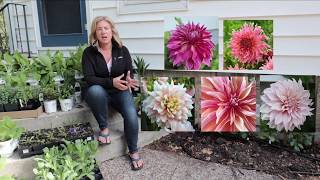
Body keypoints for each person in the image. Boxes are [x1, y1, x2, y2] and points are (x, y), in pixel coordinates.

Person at [82, 16, 143, 170]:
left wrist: (129, 81)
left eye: (106, 28)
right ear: (95, 33)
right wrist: (111, 82)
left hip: (120, 91)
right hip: (99, 91)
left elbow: (130, 72)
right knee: (95, 91)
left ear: (112, 31)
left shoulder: (122, 50)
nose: (103, 32)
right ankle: (104, 128)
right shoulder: (89, 53)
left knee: (131, 114)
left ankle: (133, 150)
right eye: (99, 29)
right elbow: (89, 78)